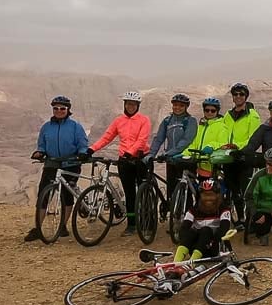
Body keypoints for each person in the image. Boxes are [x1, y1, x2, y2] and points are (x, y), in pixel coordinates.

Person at [87, 91, 151, 236]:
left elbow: (142, 139)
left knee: (144, 191)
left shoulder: (144, 120)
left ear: (138, 106)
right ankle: (132, 224)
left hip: (141, 158)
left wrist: (131, 152)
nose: (131, 107)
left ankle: (147, 220)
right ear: (124, 104)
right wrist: (92, 149)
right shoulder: (119, 121)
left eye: (134, 104)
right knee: (129, 194)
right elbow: (107, 137)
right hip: (124, 160)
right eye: (128, 104)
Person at [26, 95, 89, 241]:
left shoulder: (75, 127)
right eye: (56, 108)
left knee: (67, 196)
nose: (59, 111)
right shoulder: (46, 127)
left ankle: (62, 226)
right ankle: (37, 228)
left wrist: (82, 153)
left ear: (68, 110)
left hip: (71, 164)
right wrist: (40, 151)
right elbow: (41, 143)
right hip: (52, 164)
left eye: (62, 108)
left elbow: (82, 143)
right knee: (43, 195)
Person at [221, 82, 262, 229]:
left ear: (246, 97)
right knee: (233, 189)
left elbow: (253, 137)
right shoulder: (228, 115)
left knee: (245, 189)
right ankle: (239, 220)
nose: (238, 97)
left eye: (241, 94)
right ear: (232, 97)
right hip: (229, 156)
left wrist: (237, 146)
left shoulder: (253, 115)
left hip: (244, 156)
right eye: (235, 94)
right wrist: (225, 145)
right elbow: (224, 132)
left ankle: (250, 218)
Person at [146, 93, 197, 208]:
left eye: (181, 106)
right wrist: (151, 154)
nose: (177, 108)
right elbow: (159, 139)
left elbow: (186, 140)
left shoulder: (190, 121)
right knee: (171, 190)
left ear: (186, 107)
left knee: (186, 192)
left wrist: (169, 153)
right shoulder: (167, 121)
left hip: (186, 160)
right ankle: (174, 214)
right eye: (175, 105)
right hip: (170, 160)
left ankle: (187, 217)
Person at [183, 97, 229, 179]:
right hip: (200, 168)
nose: (209, 112)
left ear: (217, 111)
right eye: (207, 110)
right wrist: (184, 153)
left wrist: (211, 146)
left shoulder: (222, 126)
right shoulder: (201, 126)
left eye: (213, 110)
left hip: (213, 169)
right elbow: (194, 144)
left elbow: (223, 143)